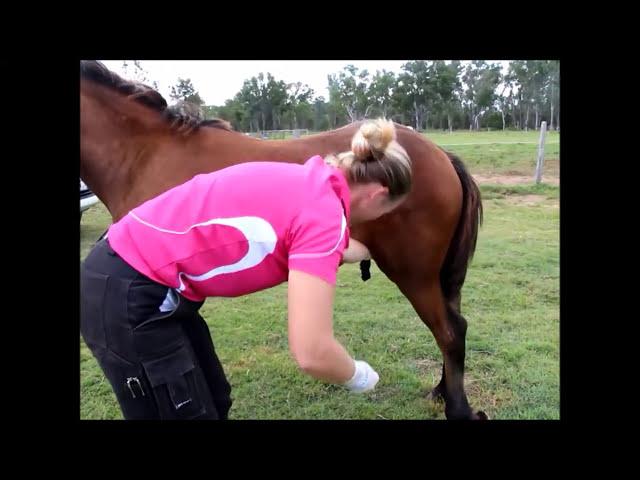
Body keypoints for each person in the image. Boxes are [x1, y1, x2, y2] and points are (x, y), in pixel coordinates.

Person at [80, 118, 413, 420]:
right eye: (385, 212)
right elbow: (313, 352)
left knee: (215, 399)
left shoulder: (309, 183)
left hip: (132, 275)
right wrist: (357, 375)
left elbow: (308, 239)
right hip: (128, 295)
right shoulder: (323, 217)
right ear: (378, 195)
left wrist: (363, 250)